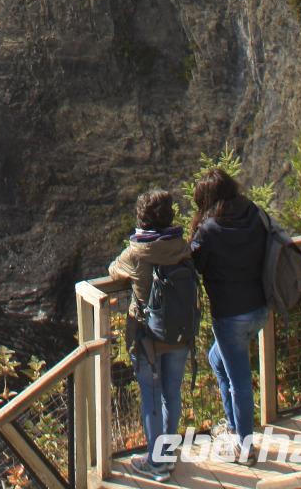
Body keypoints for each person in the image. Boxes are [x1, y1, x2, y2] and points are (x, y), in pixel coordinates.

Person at [109, 190, 193, 482]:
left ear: (142, 218)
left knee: (151, 397)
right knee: (172, 393)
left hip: (147, 338)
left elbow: (113, 270)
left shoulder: (136, 252)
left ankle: (156, 463)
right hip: (180, 332)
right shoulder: (181, 246)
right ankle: (166, 455)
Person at [190, 168, 268, 464]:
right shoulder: (253, 213)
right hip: (260, 309)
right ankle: (234, 428)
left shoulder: (208, 230)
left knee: (240, 383)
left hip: (230, 316)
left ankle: (244, 448)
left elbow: (194, 264)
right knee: (216, 360)